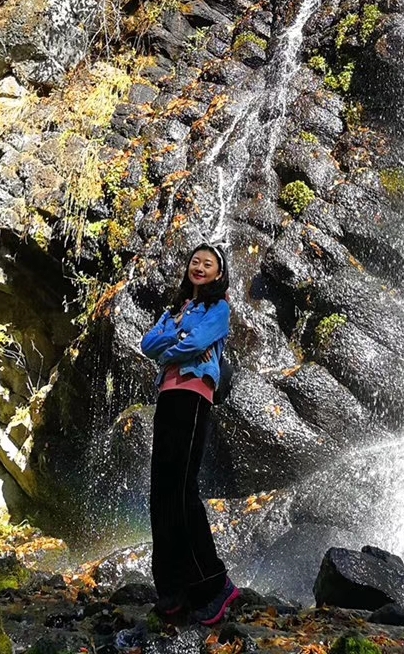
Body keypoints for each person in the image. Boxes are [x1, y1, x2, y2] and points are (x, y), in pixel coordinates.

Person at [140, 243, 239, 626]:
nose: (199, 267)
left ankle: (215, 585)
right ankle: (173, 588)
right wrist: (177, 336)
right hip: (167, 395)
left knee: (182, 488)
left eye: (208, 264)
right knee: (161, 491)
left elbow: (197, 344)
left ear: (218, 274)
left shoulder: (220, 308)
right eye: (195, 261)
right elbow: (149, 343)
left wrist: (172, 346)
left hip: (195, 395)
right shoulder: (175, 310)